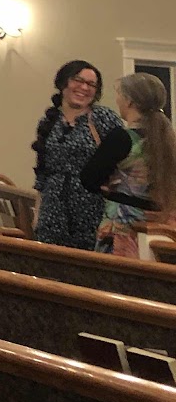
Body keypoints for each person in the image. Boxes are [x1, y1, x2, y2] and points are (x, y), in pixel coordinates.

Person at [81, 72, 176, 257]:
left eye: (119, 94)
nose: (117, 100)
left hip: (124, 226)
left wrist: (110, 187)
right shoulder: (169, 141)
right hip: (161, 227)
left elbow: (89, 178)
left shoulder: (122, 138)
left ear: (130, 101)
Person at [30, 59, 120, 250]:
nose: (84, 88)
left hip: (92, 212)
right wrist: (38, 213)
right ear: (64, 83)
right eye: (78, 80)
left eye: (91, 84)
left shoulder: (104, 118)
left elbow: (123, 163)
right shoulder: (49, 121)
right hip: (52, 213)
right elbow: (42, 172)